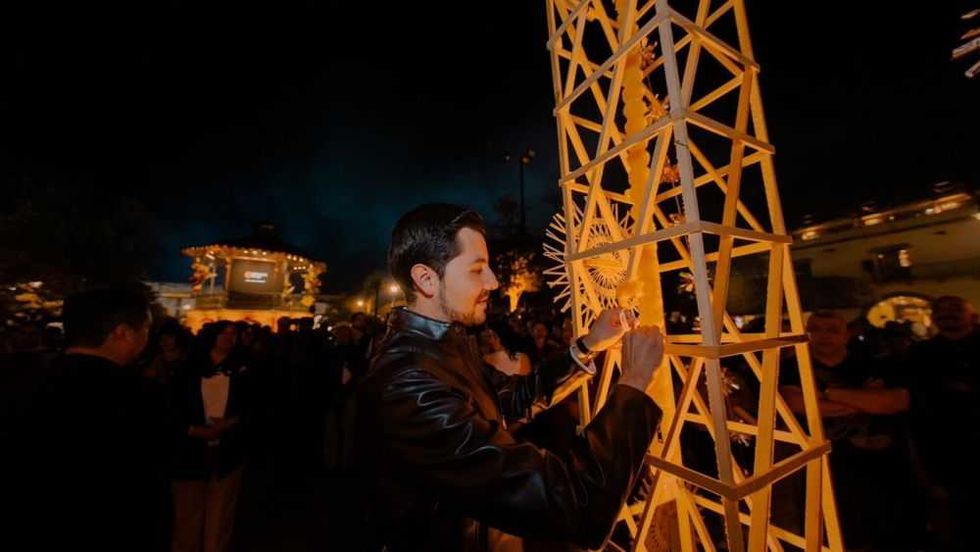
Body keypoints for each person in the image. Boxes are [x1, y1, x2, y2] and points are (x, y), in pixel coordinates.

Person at [355, 204, 664, 551]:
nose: (493, 281)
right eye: (477, 270)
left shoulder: (445, 345)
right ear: (426, 279)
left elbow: (513, 398)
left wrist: (588, 345)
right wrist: (634, 383)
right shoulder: (408, 384)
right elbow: (577, 504)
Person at [7, 286, 168, 551]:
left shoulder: (22, 383)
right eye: (145, 329)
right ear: (123, 332)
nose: (146, 337)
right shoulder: (138, 395)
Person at [170, 321, 251, 552]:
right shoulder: (187, 369)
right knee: (187, 516)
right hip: (190, 450)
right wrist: (195, 430)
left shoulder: (243, 368)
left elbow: (253, 405)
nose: (229, 338)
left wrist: (230, 423)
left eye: (233, 334)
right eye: (224, 334)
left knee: (220, 515)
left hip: (227, 450)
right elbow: (174, 407)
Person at [907, 296, 980, 551]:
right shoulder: (920, 353)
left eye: (955, 308)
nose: (947, 313)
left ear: (972, 314)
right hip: (945, 449)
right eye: (940, 309)